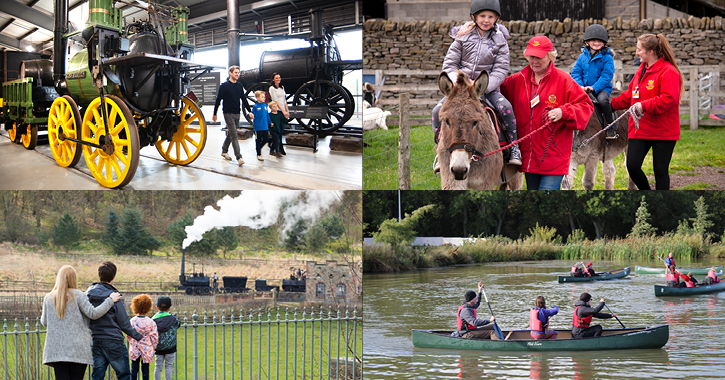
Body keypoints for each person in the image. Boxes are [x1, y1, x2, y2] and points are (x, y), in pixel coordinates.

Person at [433, 0, 522, 172]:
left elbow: (501, 69)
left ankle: (514, 147)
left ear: (496, 18)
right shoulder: (462, 37)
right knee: (437, 111)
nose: (486, 20)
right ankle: (440, 150)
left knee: (506, 107)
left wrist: (484, 86)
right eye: (482, 16)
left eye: (491, 16)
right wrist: (456, 83)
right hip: (460, 89)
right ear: (474, 17)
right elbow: (450, 64)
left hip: (486, 88)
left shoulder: (500, 40)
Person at [500, 35, 593, 190]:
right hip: (529, 156)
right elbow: (495, 94)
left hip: (553, 155)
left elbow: (585, 105)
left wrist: (563, 111)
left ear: (550, 56)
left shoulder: (563, 80)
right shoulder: (517, 80)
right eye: (531, 56)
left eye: (540, 57)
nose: (534, 61)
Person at [611, 34, 683, 190]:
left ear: (650, 51)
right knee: (632, 165)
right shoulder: (641, 70)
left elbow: (669, 99)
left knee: (660, 170)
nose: (637, 53)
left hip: (664, 130)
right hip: (641, 129)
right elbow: (630, 95)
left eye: (639, 49)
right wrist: (610, 105)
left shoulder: (668, 72)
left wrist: (643, 106)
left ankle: (660, 207)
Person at [41, 266, 121, 380]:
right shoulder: (78, 295)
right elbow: (93, 313)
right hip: (78, 349)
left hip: (56, 349)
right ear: (74, 278)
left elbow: (44, 322)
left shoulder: (48, 298)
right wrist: (110, 300)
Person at [87, 262, 144, 380]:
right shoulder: (115, 296)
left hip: (96, 340)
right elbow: (124, 323)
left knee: (97, 376)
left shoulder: (88, 293)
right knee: (123, 375)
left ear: (99, 275)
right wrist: (138, 336)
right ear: (113, 277)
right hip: (113, 340)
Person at [570, 24, 617, 139]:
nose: (597, 43)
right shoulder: (582, 57)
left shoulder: (607, 57)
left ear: (604, 43)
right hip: (584, 88)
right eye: (593, 40)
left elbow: (606, 76)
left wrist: (594, 88)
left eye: (600, 41)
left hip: (601, 88)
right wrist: (580, 86)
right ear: (586, 42)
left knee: (603, 101)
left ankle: (610, 127)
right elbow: (576, 73)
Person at [212, 66, 246, 166]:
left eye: (238, 73)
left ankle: (224, 150)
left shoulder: (239, 85)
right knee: (234, 135)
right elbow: (218, 100)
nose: (237, 74)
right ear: (230, 73)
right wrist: (215, 113)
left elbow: (243, 99)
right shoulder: (224, 86)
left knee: (231, 134)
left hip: (237, 112)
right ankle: (239, 157)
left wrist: (249, 111)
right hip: (228, 113)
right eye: (235, 72)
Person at [128, 294, 158, 380]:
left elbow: (128, 334)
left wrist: (132, 342)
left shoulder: (132, 321)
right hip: (147, 348)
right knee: (145, 369)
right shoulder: (151, 322)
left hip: (135, 347)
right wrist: (153, 347)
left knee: (134, 368)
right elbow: (154, 337)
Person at [152, 296, 181, 380]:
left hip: (158, 347)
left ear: (157, 307)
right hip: (170, 347)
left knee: (158, 366)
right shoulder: (174, 319)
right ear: (169, 308)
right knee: (169, 366)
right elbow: (178, 324)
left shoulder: (153, 320)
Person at [248, 90, 273, 161]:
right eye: (262, 97)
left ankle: (259, 148)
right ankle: (259, 153)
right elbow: (252, 115)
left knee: (266, 139)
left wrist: (270, 122)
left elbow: (267, 115)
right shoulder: (255, 107)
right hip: (258, 127)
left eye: (264, 97)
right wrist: (250, 116)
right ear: (257, 98)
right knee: (258, 140)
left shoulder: (265, 105)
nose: (264, 98)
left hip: (265, 126)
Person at [268, 72, 288, 156]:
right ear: (273, 79)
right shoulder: (272, 88)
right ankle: (279, 149)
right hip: (277, 110)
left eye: (279, 78)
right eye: (276, 78)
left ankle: (274, 148)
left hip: (283, 110)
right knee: (278, 130)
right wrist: (282, 110)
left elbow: (284, 100)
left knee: (281, 130)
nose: (278, 79)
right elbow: (275, 100)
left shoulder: (282, 87)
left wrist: (287, 110)